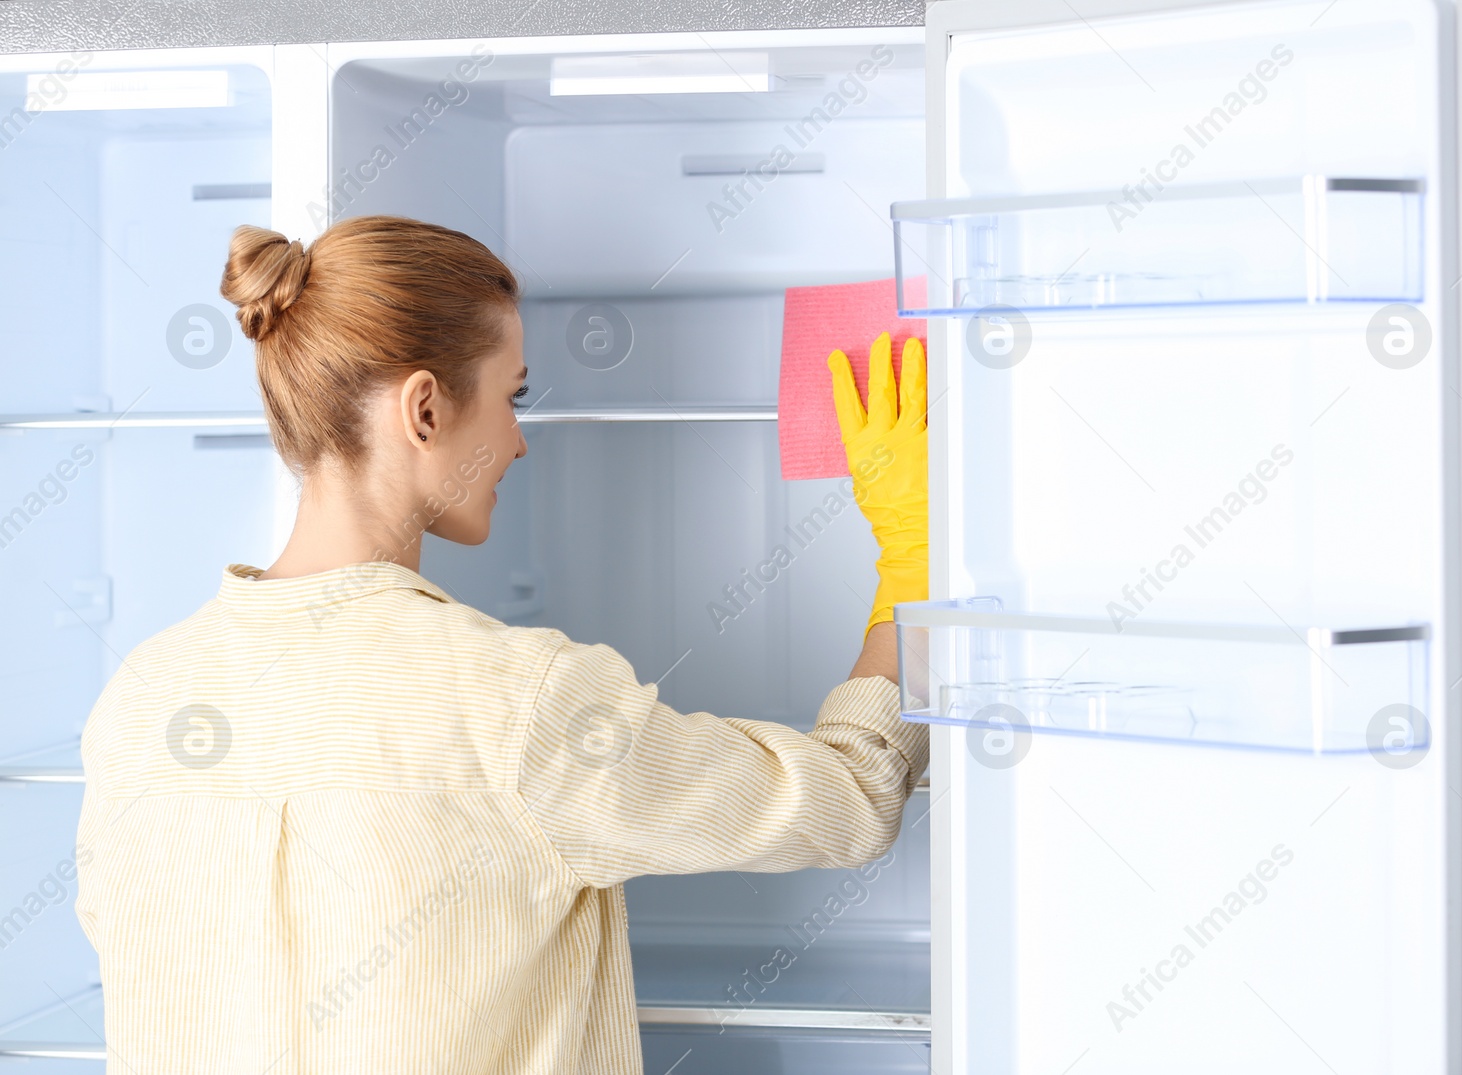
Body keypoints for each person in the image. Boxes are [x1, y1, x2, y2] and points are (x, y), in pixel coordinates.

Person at [73, 215, 929, 1074]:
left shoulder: (141, 697)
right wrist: (913, 564)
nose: (519, 438)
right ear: (425, 406)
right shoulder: (517, 700)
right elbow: (851, 798)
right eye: (512, 395)